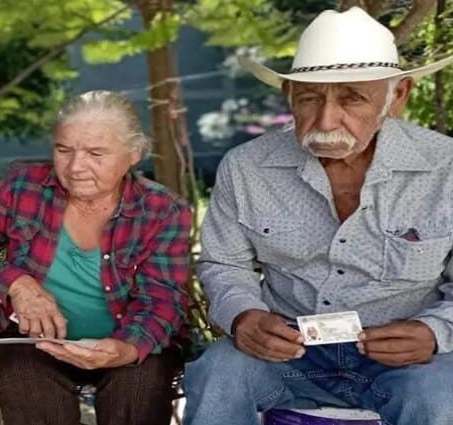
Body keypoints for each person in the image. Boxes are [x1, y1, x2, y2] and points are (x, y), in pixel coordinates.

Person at [183, 7, 453, 425]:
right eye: (309, 98)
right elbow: (224, 263)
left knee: (439, 399)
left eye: (352, 98)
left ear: (397, 96)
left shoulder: (446, 168)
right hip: (287, 353)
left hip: (410, 361)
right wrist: (244, 315)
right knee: (218, 374)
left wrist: (435, 332)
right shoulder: (247, 167)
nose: (326, 120)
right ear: (288, 94)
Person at [0, 90, 191, 425]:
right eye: (63, 150)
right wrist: (18, 284)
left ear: (133, 154)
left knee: (137, 393)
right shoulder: (21, 189)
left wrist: (125, 348)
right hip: (32, 341)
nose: (75, 167)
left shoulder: (163, 210)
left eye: (95, 153)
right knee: (30, 390)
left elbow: (162, 299)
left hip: (128, 340)